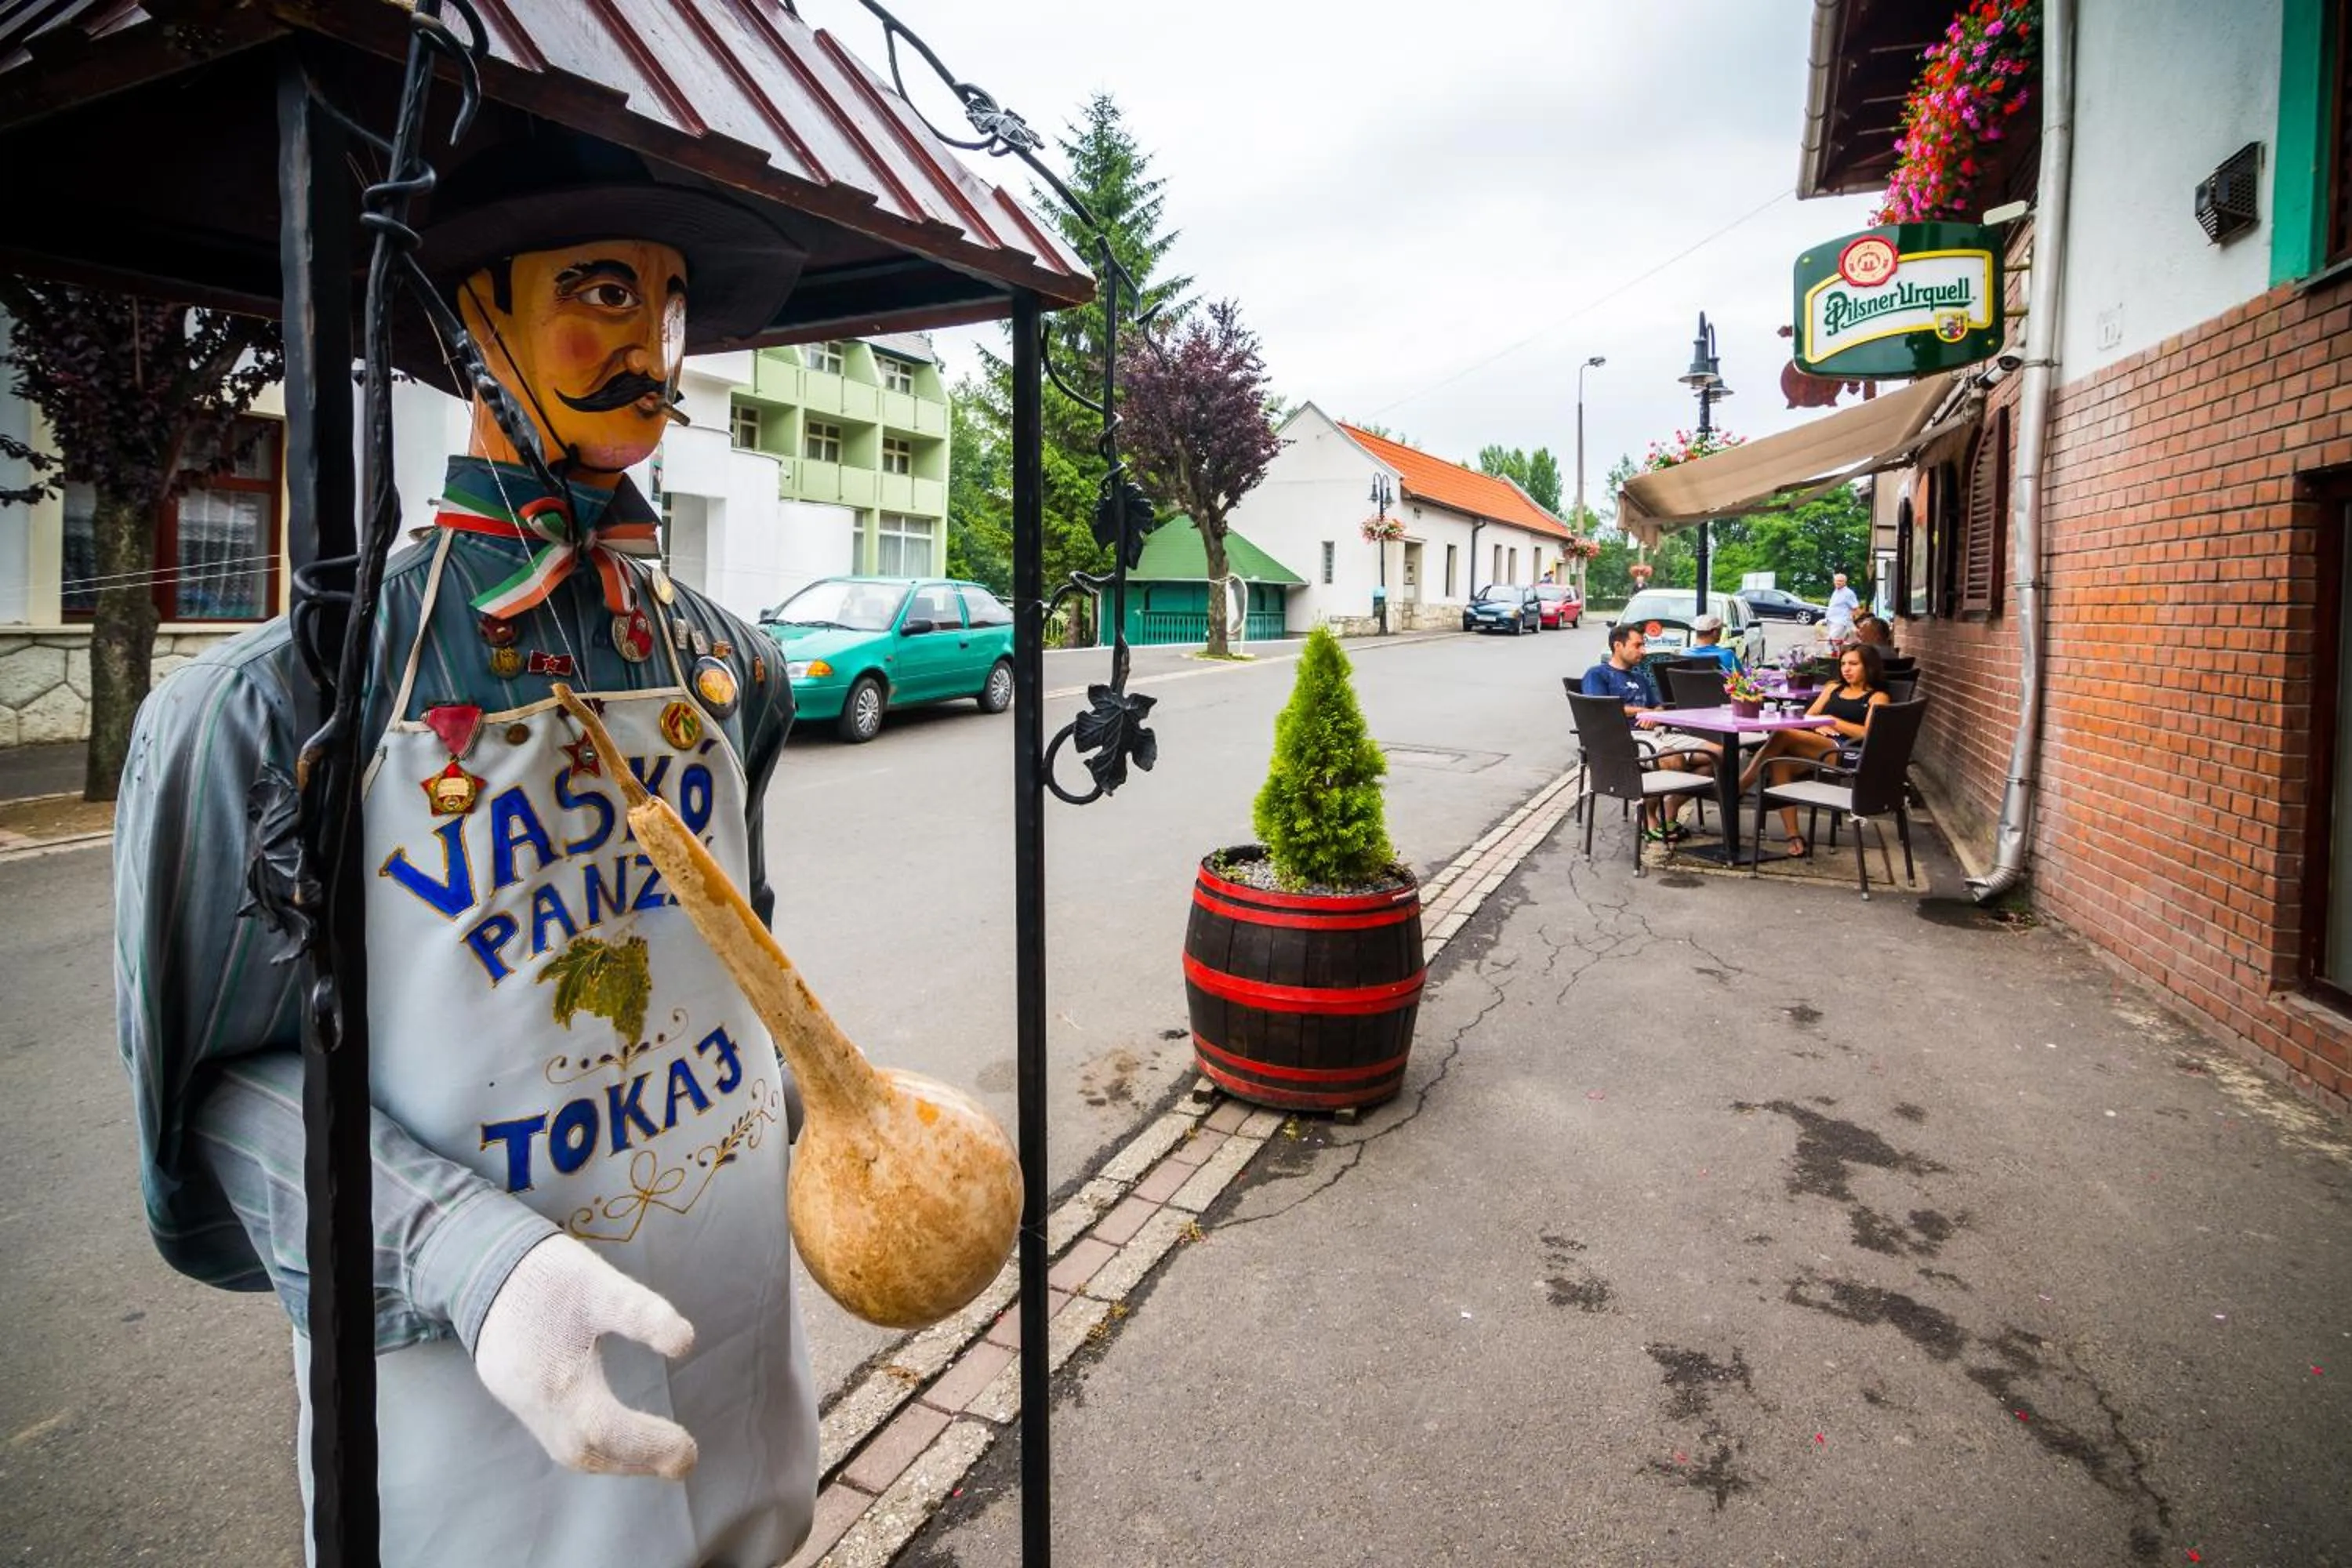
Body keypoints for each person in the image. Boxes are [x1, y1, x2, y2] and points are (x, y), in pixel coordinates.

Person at [115, 135, 818, 1566]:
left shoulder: (733, 663)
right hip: (476, 1438)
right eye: (605, 293)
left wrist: (831, 1104)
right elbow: (210, 1104)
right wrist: (467, 1259)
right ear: (475, 319)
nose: (651, 348)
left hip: (741, 1355)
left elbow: (737, 957)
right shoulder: (280, 703)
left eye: (670, 310)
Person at [1738, 643, 1890, 858]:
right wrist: (1818, 725)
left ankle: (1740, 786)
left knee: (1782, 734)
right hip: (1819, 747)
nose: (1846, 669)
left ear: (1869, 667)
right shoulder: (1832, 688)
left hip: (1846, 753)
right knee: (1778, 762)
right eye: (1844, 664)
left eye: (1854, 664)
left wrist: (1833, 721)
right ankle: (1794, 836)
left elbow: (1868, 733)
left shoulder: (1877, 697)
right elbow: (1808, 717)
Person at [1581, 622, 1719, 841]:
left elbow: (1660, 706)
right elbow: (1599, 708)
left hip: (1659, 733)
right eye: (1637, 645)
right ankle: (1649, 814)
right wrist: (1642, 712)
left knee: (1719, 755)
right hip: (1626, 738)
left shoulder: (1640, 678)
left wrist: (1655, 713)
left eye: (1643, 645)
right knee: (1673, 761)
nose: (1643, 651)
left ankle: (1671, 807)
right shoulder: (1598, 674)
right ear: (1618, 645)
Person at [1680, 613, 1744, 675]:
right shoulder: (1727, 655)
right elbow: (1742, 679)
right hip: (1718, 686)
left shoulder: (1684, 654)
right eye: (1720, 630)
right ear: (1715, 633)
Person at [1825, 571, 1862, 637]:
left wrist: (1859, 621)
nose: (1838, 583)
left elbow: (1855, 608)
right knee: (1836, 643)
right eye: (1836, 581)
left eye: (1840, 581)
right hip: (1831, 620)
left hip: (1840, 622)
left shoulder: (1849, 593)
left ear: (1845, 582)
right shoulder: (1836, 591)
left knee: (1830, 642)